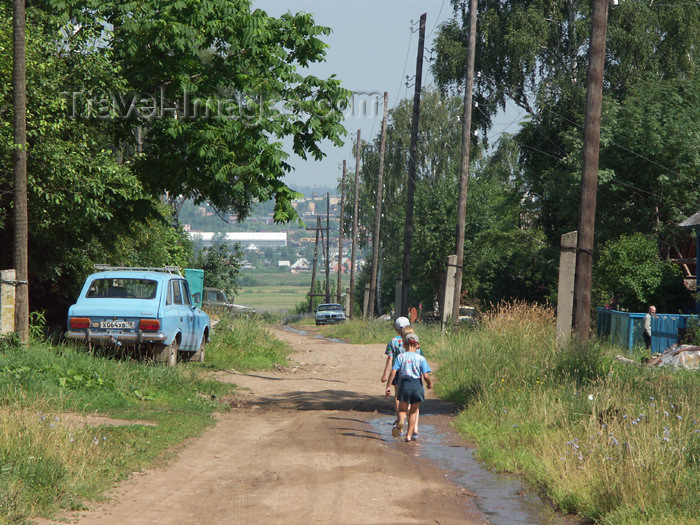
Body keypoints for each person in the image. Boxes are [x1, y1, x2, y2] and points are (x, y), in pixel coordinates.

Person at [385, 333, 433, 442]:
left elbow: (393, 371)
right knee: (413, 411)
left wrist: (388, 386)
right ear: (418, 345)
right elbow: (426, 376)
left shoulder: (400, 357)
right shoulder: (421, 358)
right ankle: (409, 436)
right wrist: (429, 384)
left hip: (404, 385)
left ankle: (401, 421)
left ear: (404, 345)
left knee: (402, 409)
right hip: (416, 386)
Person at [382, 318, 423, 436]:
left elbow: (390, 358)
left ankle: (400, 421)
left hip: (398, 373)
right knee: (415, 404)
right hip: (414, 376)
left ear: (396, 328)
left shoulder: (393, 342)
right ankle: (414, 428)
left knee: (399, 398)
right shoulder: (415, 342)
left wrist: (385, 375)